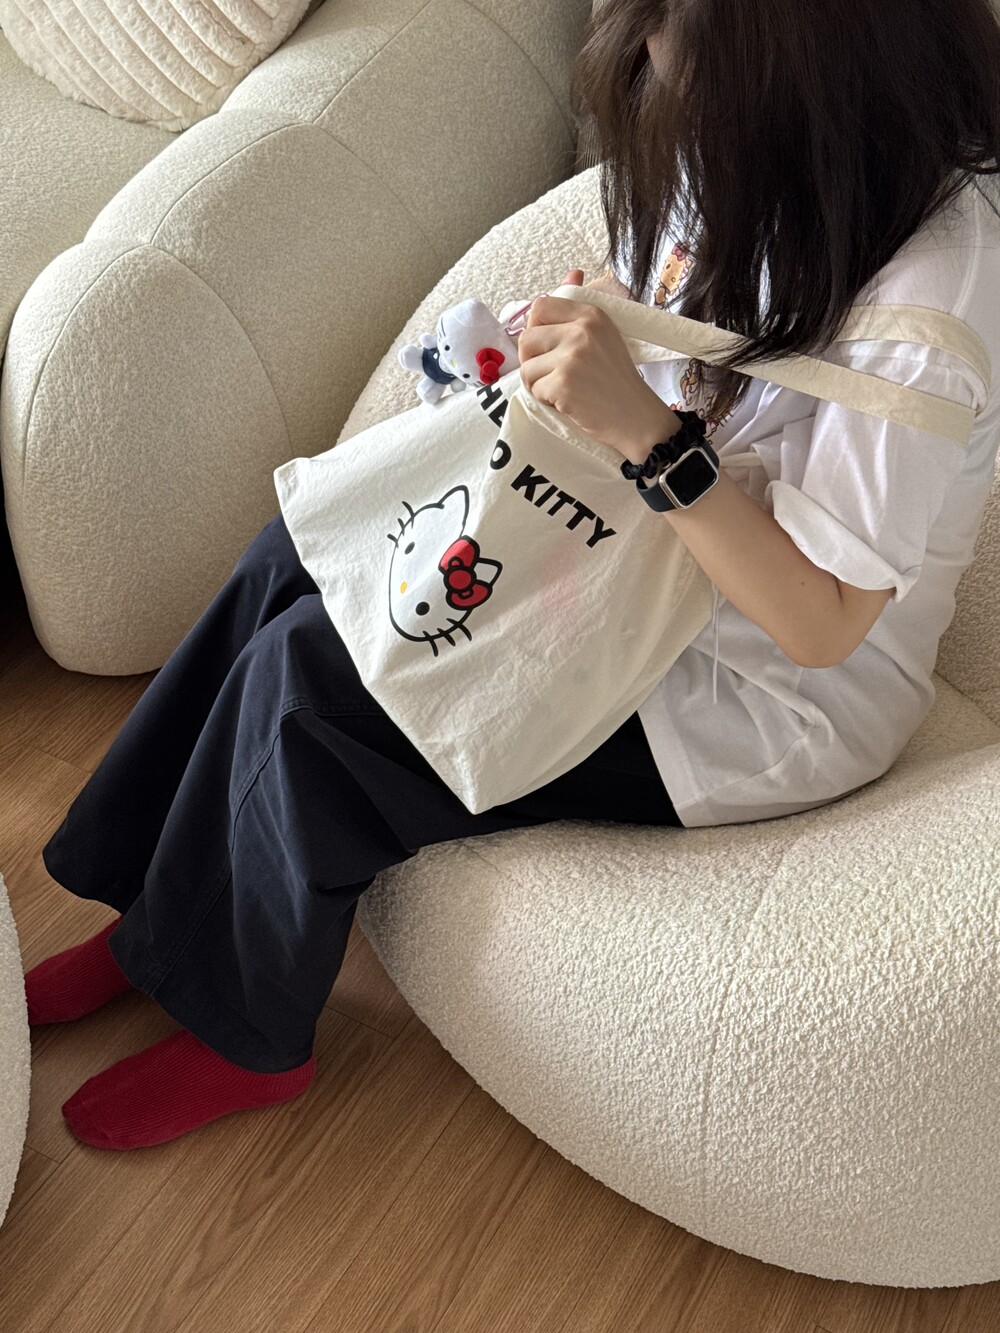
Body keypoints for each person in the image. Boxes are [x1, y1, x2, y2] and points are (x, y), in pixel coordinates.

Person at [28, 0, 1000, 1150]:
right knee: (295, 554)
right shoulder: (744, 136)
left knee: (322, 689)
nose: (671, 110)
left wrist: (648, 435)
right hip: (637, 549)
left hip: (756, 693)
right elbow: (681, 319)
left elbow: (822, 624)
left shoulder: (929, 297)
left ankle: (250, 1033)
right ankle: (154, 901)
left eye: (692, 87)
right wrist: (589, 338)